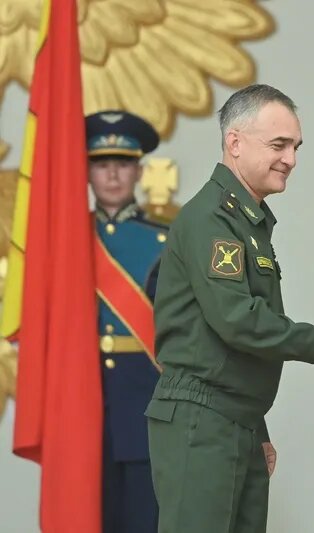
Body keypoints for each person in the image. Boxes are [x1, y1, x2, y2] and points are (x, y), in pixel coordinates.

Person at [144, 84, 314, 533]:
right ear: (235, 142)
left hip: (234, 420)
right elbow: (238, 321)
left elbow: (230, 352)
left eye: (296, 147)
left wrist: (255, 428)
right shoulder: (212, 218)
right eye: (279, 145)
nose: (291, 159)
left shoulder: (245, 220)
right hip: (201, 423)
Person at [86, 110, 166, 533]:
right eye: (102, 165)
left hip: (144, 405)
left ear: (138, 170)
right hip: (82, 403)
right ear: (87, 172)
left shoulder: (165, 241)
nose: (113, 175)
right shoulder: (66, 240)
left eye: (122, 164)